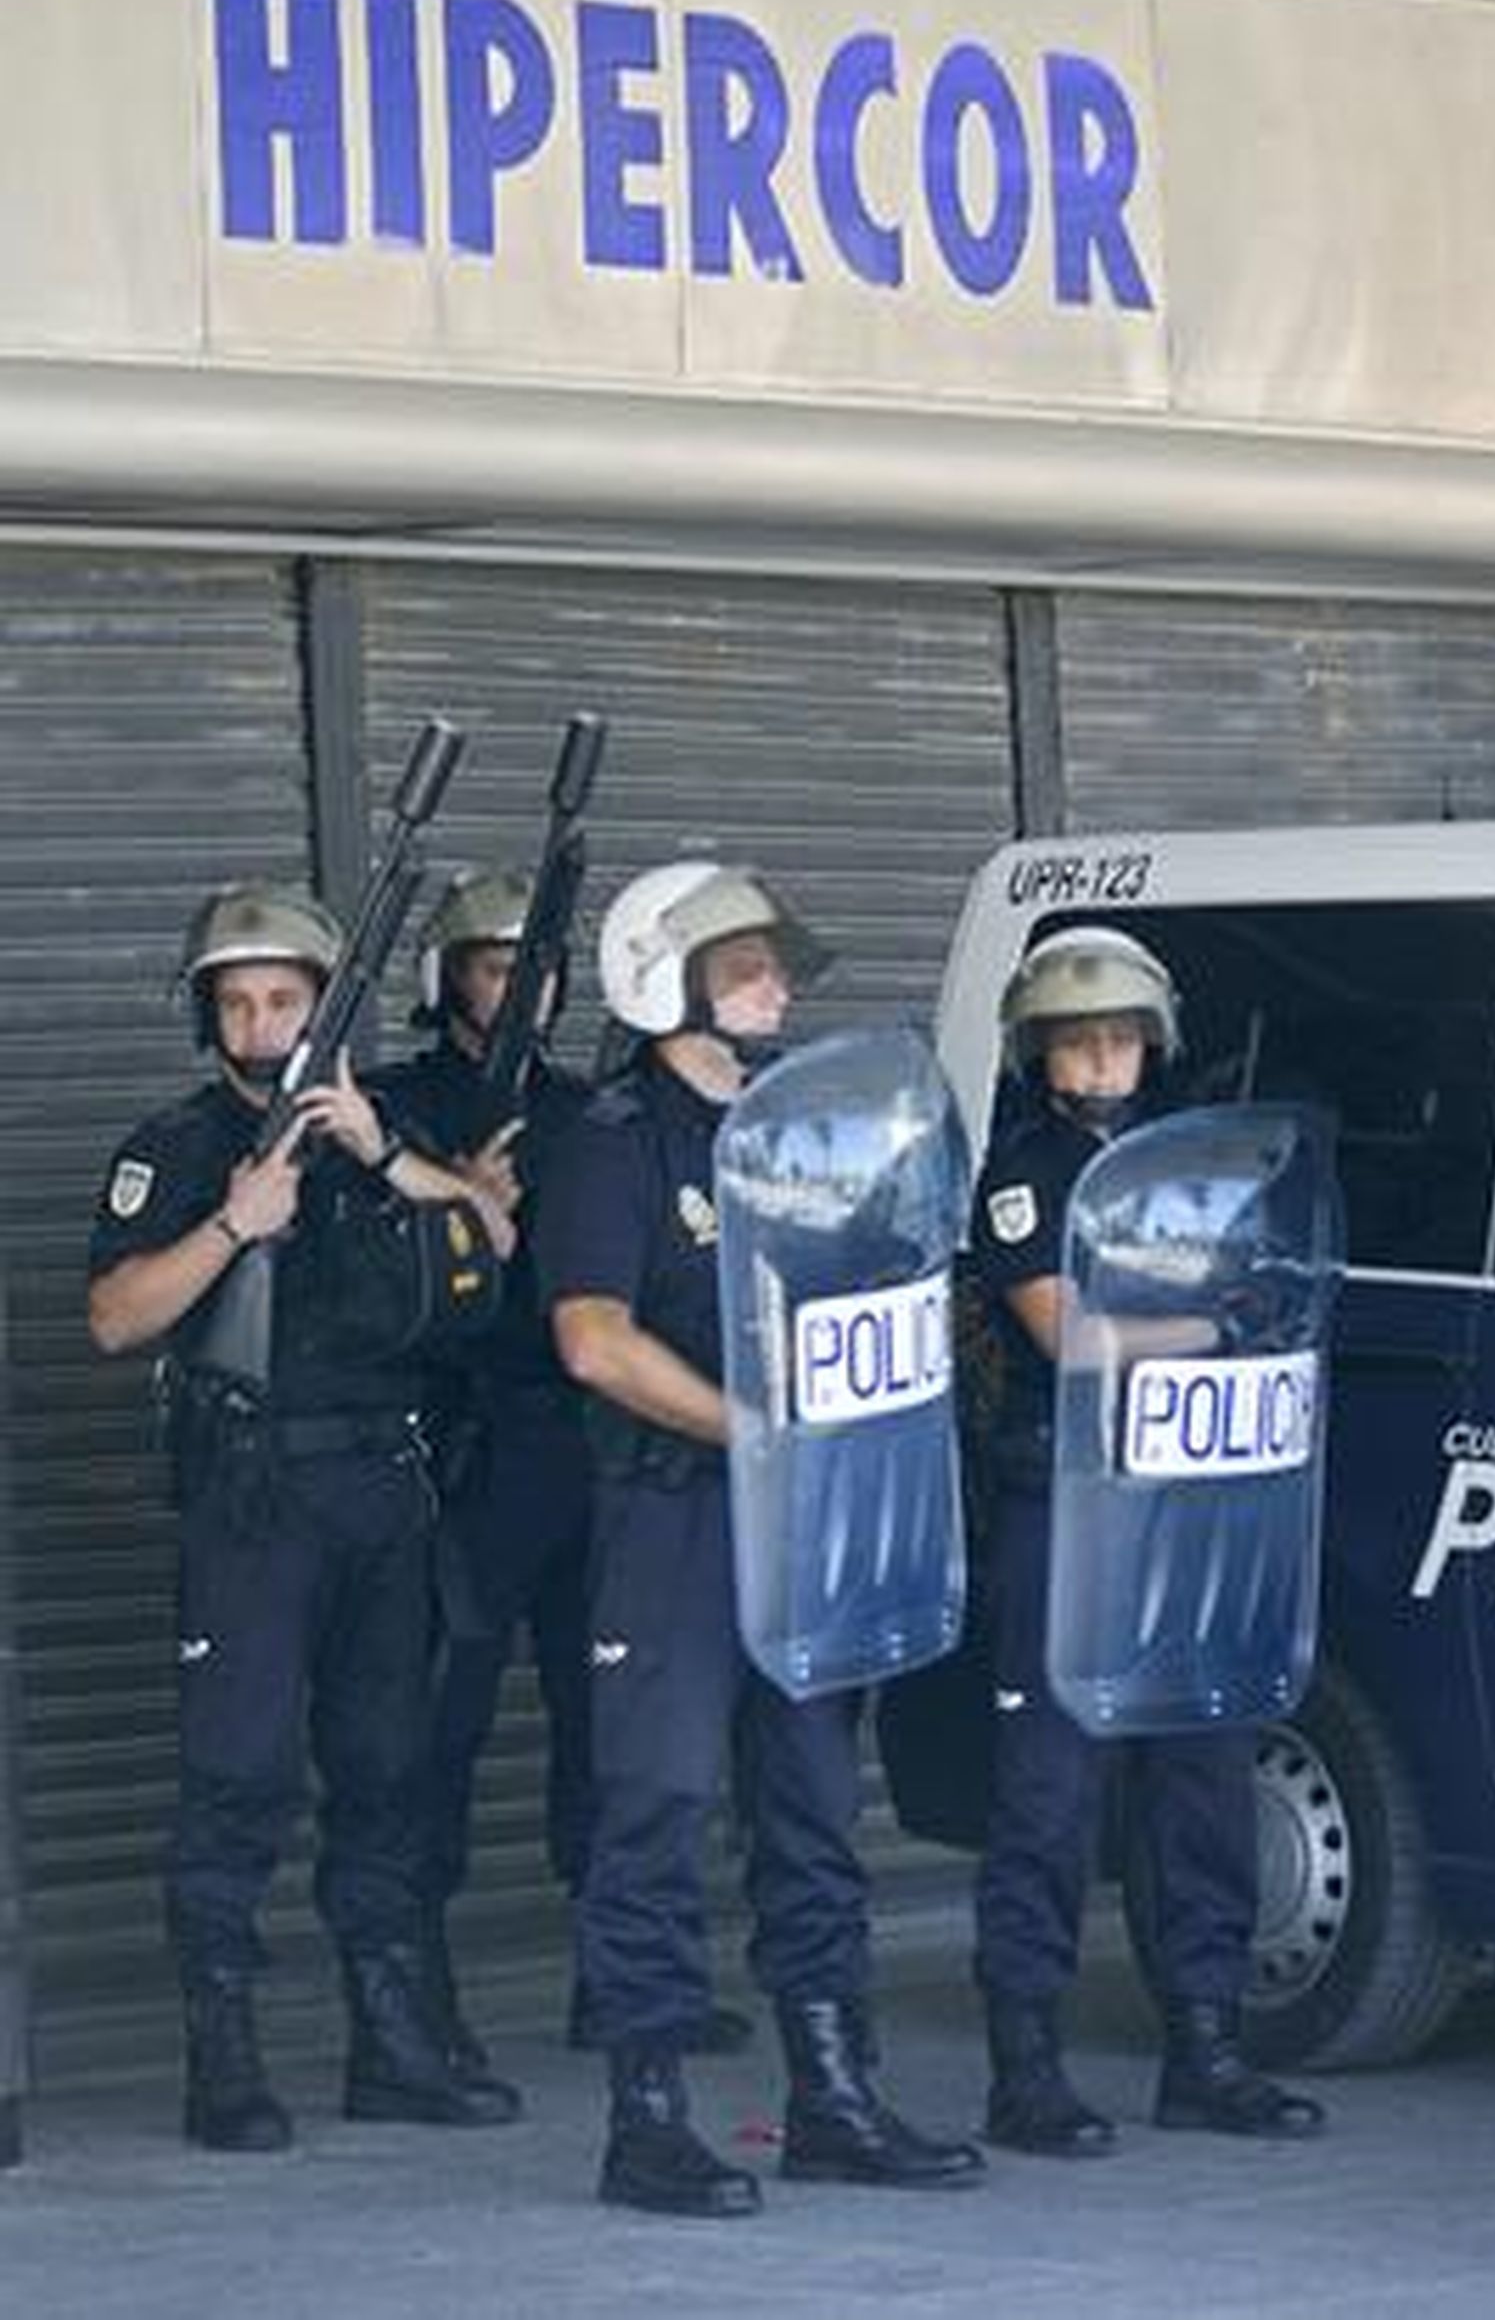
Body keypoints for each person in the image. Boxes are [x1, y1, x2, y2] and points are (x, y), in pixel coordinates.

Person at [542, 861, 985, 2217]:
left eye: (774, 967)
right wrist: (757, 1431)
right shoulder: (614, 1142)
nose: (776, 987)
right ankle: (648, 2122)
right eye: (745, 968)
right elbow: (593, 1340)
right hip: (673, 1521)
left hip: (807, 1523)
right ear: (660, 982)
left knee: (812, 1814)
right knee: (657, 1813)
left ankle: (834, 2101)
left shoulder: (806, 1134)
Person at [87, 883, 519, 2152]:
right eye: (237, 1002)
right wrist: (236, 1221)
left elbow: (491, 1237)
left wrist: (380, 1151)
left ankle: (391, 2048)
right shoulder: (175, 1148)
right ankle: (223, 2060)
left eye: (285, 999)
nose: (262, 1023)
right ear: (206, 1016)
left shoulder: (380, 1130)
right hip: (254, 1500)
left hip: (383, 1492)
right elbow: (114, 1318)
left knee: (387, 1774)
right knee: (238, 1781)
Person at [374, 868, 749, 2098]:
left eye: (532, 970)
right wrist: (448, 1198)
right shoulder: (394, 1110)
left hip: (588, 1449)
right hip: (468, 1455)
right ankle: (417, 2006)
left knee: (610, 1733)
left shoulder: (592, 1117)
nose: (516, 991)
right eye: (493, 968)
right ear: (447, 982)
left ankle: (622, 1984)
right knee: (439, 1731)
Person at [969, 924, 1326, 2152]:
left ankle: (1206, 2048)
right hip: (1066, 1512)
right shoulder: (1022, 1172)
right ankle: (1025, 2067)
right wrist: (1210, 1328)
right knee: (1049, 1796)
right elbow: (1069, 1337)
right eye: (1078, 1042)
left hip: (1189, 1503)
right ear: (1040, 1053)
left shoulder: (1200, 1164)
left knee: (1204, 1783)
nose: (1101, 1061)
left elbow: (1279, 1280)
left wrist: (1226, 1320)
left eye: (1120, 1039)